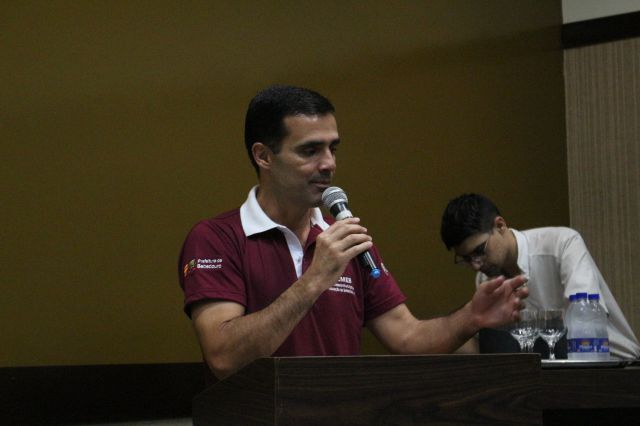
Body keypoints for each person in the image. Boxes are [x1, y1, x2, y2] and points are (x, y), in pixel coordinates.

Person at [178, 85, 528, 381]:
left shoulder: (347, 239)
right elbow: (224, 357)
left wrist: (470, 318)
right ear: (263, 156)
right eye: (310, 150)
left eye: (333, 148)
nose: (329, 163)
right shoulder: (216, 238)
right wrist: (315, 279)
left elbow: (407, 337)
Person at [440, 193, 640, 359]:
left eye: (479, 251)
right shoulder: (485, 279)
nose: (475, 265)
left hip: (615, 367)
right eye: (466, 258)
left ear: (500, 226)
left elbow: (585, 320)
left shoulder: (561, 244)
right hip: (551, 375)